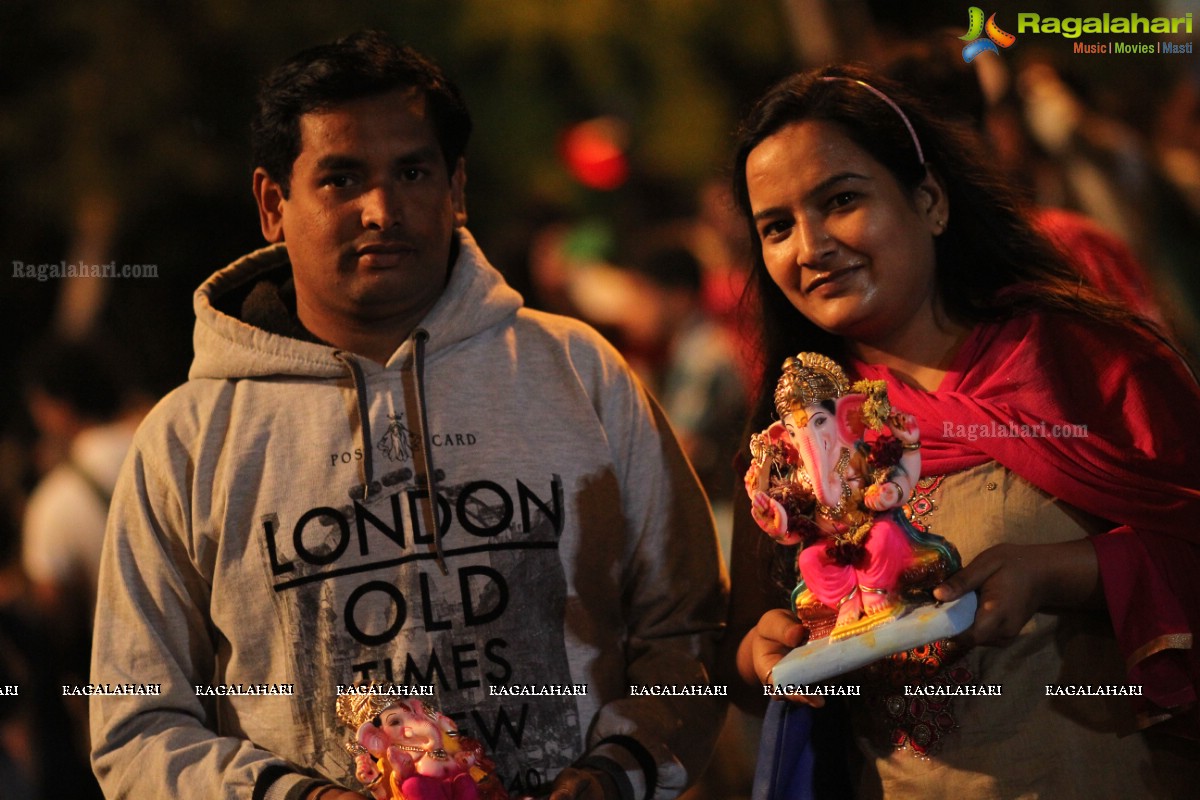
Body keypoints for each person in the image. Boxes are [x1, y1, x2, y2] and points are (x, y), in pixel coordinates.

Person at [89, 31, 726, 800]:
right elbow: (135, 723)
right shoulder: (188, 443)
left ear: (457, 189)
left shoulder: (581, 374)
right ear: (271, 203)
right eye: (341, 178)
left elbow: (690, 633)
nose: (382, 209)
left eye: (414, 172)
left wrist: (614, 775)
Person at [720, 64, 1200, 798]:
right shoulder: (796, 435)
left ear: (930, 201)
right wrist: (764, 655)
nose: (810, 247)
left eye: (841, 200)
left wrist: (1065, 571)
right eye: (777, 227)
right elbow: (751, 657)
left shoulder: (1081, 357)